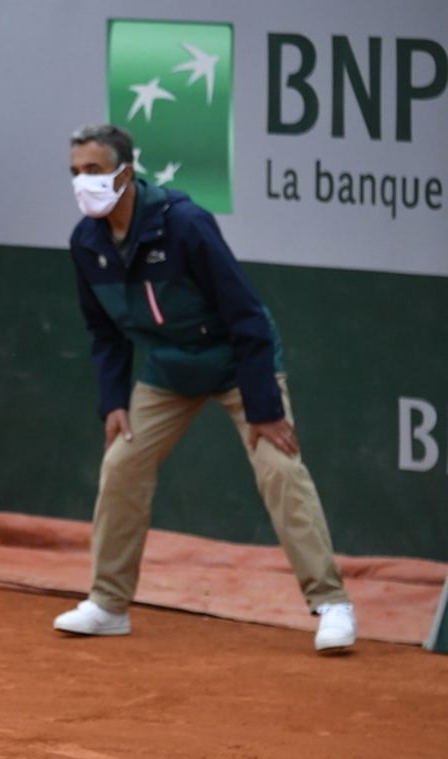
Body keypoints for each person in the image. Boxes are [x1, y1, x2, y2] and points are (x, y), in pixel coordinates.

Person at [55, 123, 356, 654]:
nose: (84, 183)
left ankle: (331, 603)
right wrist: (114, 403)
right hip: (169, 371)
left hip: (237, 363)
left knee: (279, 469)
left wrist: (263, 407)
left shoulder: (185, 224)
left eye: (95, 171)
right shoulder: (86, 242)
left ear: (125, 173)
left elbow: (246, 314)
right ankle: (108, 605)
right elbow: (104, 333)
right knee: (122, 465)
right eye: (76, 173)